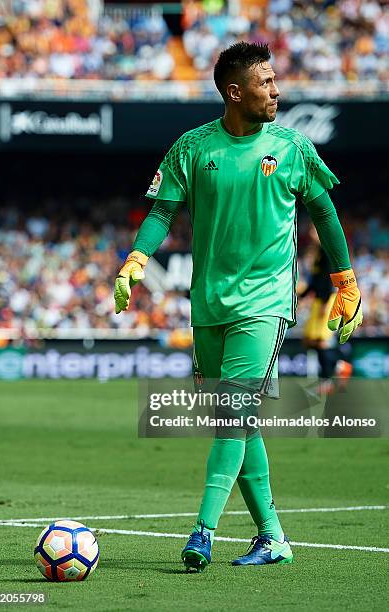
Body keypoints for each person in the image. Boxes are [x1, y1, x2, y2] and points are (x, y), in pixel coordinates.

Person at [114, 42, 362, 572]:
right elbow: (163, 211)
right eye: (266, 83)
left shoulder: (292, 147)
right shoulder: (192, 147)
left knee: (232, 412)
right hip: (207, 303)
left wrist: (344, 278)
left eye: (275, 81)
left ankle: (203, 530)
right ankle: (272, 537)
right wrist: (137, 256)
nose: (276, 90)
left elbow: (325, 211)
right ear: (235, 92)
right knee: (237, 420)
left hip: (265, 302)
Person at [300, 225, 353, 394]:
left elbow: (329, 279)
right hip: (319, 300)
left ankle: (326, 381)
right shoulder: (317, 252)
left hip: (326, 301)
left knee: (322, 341)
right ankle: (338, 366)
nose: (310, 233)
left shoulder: (326, 250)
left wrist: (323, 303)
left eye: (314, 230)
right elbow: (315, 281)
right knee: (310, 340)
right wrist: (301, 297)